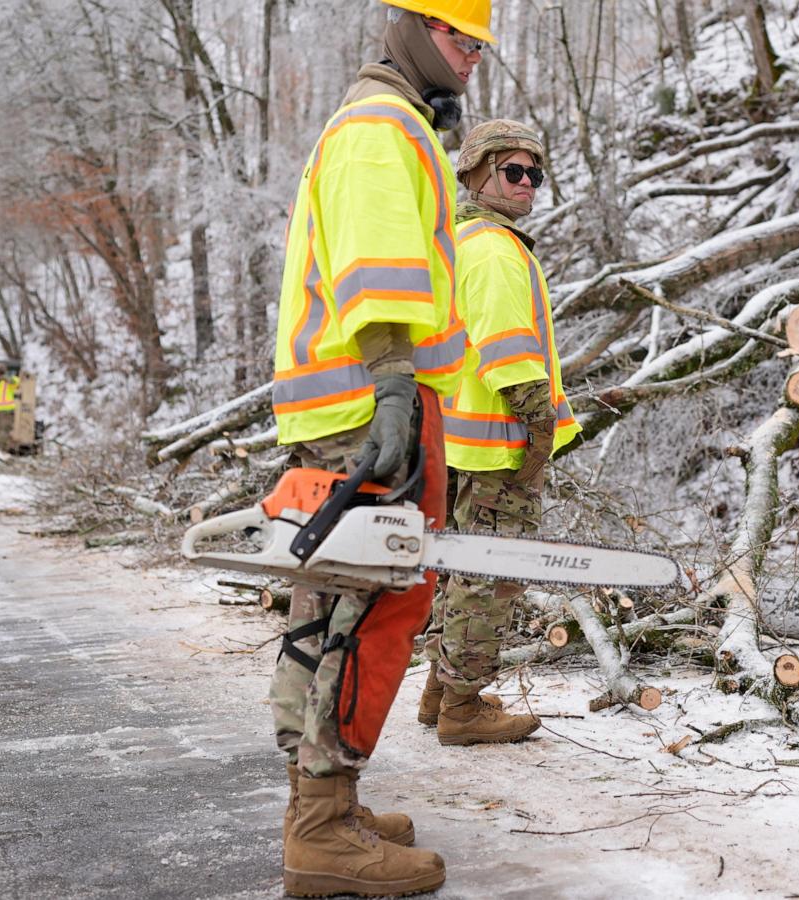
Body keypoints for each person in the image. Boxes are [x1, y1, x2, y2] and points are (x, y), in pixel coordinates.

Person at [265, 2, 489, 896]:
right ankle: (320, 829)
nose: (471, 59)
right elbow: (376, 264)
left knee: (338, 610)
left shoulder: (393, 124)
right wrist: (395, 388)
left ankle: (321, 804)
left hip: (361, 400)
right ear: (409, 30)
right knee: (363, 614)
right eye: (457, 39)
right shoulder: (378, 125)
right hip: (369, 404)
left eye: (478, 46)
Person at [417, 120, 581, 745]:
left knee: (464, 572)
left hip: (469, 444)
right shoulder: (492, 249)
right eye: (514, 171)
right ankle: (462, 707)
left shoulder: (467, 242)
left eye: (535, 174)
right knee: (491, 577)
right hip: (499, 442)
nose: (527, 184)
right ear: (478, 172)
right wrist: (539, 425)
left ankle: (440, 691)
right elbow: (507, 347)